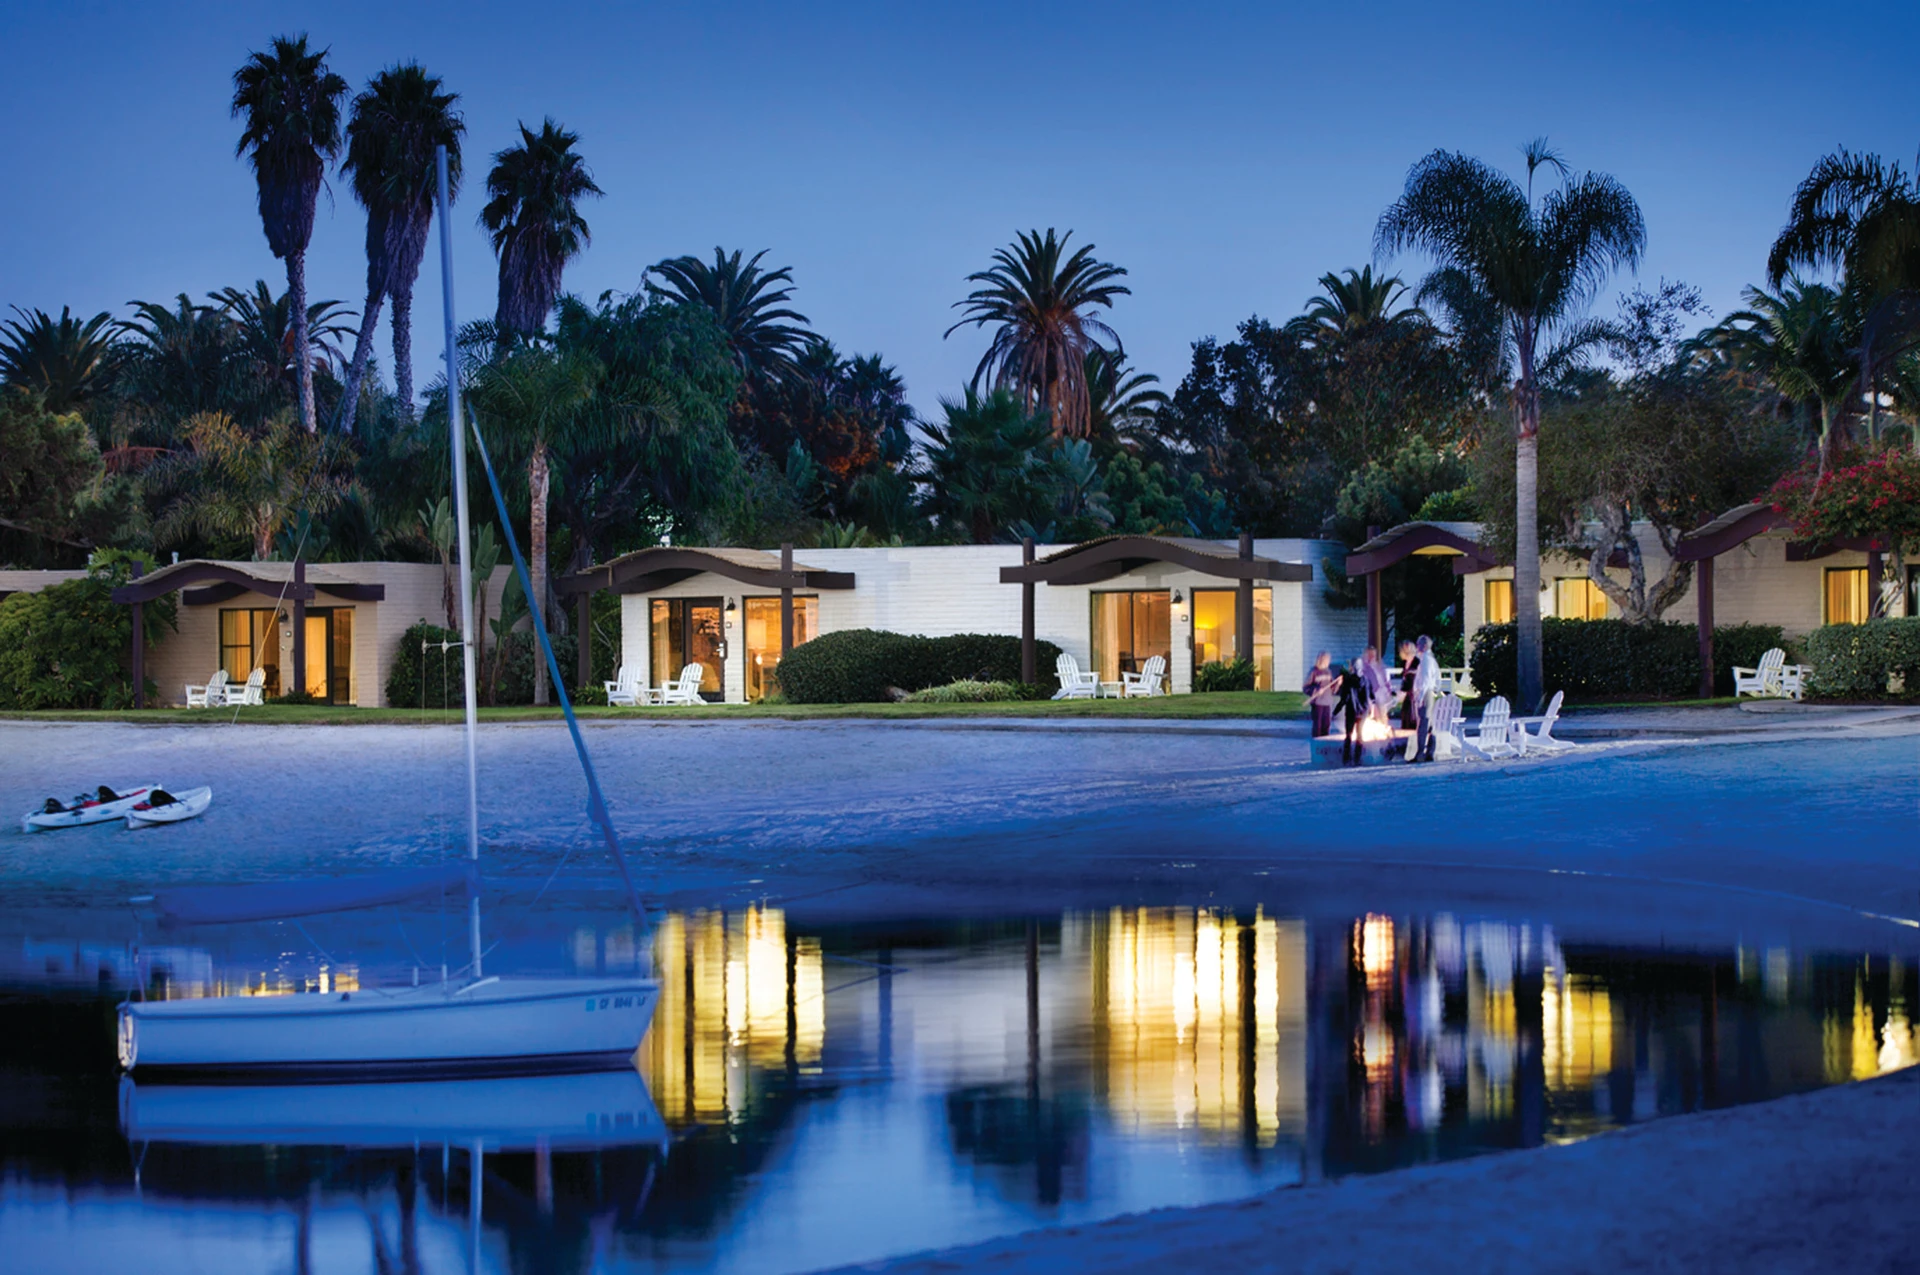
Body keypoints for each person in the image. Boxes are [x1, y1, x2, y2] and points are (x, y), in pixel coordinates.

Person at [1337, 656, 1372, 764]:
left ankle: (1346, 758)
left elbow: (1344, 697)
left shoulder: (1348, 680)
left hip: (1351, 710)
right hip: (1362, 711)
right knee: (1359, 734)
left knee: (1349, 734)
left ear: (1352, 666)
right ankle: (1357, 758)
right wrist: (1368, 708)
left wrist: (1336, 710)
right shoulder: (1365, 680)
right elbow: (1369, 696)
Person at [1413, 635, 1441, 761]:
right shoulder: (1430, 659)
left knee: (1423, 724)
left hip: (1425, 694)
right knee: (1428, 723)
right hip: (1429, 692)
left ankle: (1420, 753)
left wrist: (1420, 697)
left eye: (1418, 644)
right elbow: (1438, 679)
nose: (1416, 647)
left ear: (1423, 646)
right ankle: (1430, 752)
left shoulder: (1425, 660)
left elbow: (1425, 680)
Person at [1396, 640, 1423, 760]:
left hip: (1414, 693)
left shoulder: (1417, 662)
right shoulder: (1405, 663)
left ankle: (1413, 744)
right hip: (1407, 693)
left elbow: (1414, 679)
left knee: (1412, 715)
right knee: (1405, 714)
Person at [1302, 652, 1339, 737]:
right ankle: (1316, 741)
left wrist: (1337, 684)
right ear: (1321, 660)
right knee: (1317, 725)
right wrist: (1316, 690)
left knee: (1326, 725)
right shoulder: (1314, 671)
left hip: (1327, 702)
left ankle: (1325, 741)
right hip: (1318, 703)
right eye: (1326, 660)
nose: (1328, 661)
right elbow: (1306, 687)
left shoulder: (1328, 672)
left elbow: (1332, 688)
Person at [1359, 645, 1394, 726]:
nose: (1372, 657)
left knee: (1382, 711)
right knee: (1371, 711)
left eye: (1373, 654)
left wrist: (1388, 689)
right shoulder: (1364, 667)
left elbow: (1385, 679)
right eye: (1370, 654)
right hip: (1371, 692)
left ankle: (1384, 725)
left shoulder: (1379, 666)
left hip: (1381, 691)